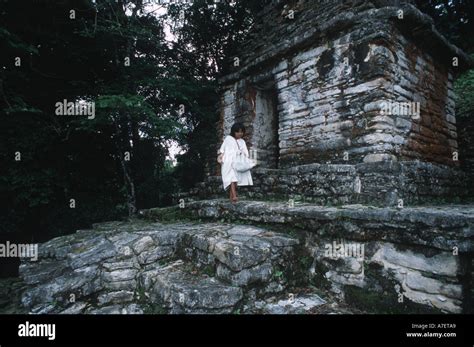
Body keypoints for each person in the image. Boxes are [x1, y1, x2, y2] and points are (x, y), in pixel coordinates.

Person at [218, 123, 253, 203]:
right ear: (233, 132)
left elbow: (245, 152)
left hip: (238, 162)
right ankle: (234, 196)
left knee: (235, 179)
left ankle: (231, 199)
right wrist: (221, 158)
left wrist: (243, 156)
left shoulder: (242, 141)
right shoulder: (228, 139)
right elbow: (222, 150)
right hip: (228, 162)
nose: (240, 133)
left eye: (241, 132)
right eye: (238, 132)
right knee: (232, 178)